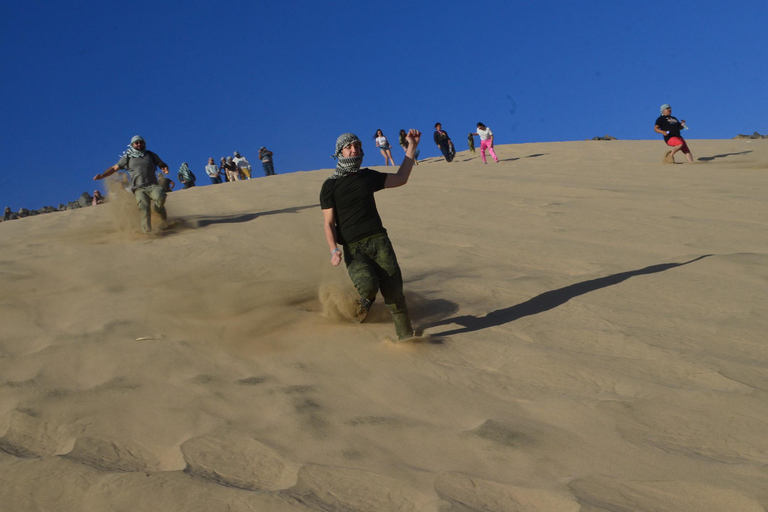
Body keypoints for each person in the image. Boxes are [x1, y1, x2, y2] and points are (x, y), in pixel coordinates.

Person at [320, 130, 421, 341]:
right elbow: (329, 223)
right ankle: (362, 306)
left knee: (395, 295)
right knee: (367, 284)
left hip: (379, 242)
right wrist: (333, 250)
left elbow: (401, 178)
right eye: (349, 147)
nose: (354, 150)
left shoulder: (368, 176)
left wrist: (411, 147)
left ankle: (407, 339)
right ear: (340, 152)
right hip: (353, 247)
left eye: (357, 146)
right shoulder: (330, 186)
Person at [93, 135, 170, 233]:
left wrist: (164, 168)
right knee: (144, 208)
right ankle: (148, 232)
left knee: (161, 197)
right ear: (132, 144)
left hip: (153, 185)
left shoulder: (150, 155)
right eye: (136, 143)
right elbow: (114, 168)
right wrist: (103, 175)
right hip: (139, 188)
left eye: (141, 142)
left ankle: (162, 220)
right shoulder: (127, 158)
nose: (139, 144)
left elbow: (161, 164)